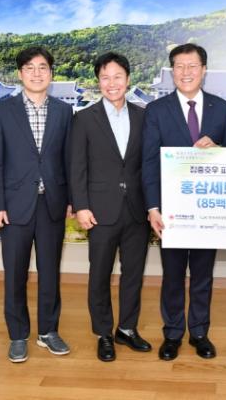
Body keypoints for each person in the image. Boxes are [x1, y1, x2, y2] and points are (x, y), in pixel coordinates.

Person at [142, 43, 226, 361]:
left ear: (204, 70)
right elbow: (148, 162)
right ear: (172, 71)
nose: (186, 72)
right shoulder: (156, 110)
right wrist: (153, 207)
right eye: (179, 66)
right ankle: (172, 333)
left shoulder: (221, 108)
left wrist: (219, 147)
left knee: (202, 274)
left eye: (192, 66)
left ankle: (199, 332)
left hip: (208, 210)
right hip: (170, 211)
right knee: (172, 275)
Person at [0, 46, 73, 363]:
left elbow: (69, 160)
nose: (37, 73)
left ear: (51, 72)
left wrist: (71, 200)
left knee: (50, 273)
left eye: (43, 67)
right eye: (30, 68)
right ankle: (18, 335)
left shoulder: (64, 111)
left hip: (52, 204)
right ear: (20, 73)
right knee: (15, 274)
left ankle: (48, 332)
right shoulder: (1, 112)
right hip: (13, 206)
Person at [70, 52, 152, 362]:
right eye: (105, 77)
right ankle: (103, 333)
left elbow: (150, 164)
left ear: (128, 80)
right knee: (100, 275)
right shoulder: (84, 118)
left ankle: (127, 329)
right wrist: (81, 206)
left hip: (136, 209)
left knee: (134, 274)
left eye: (118, 77)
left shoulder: (144, 116)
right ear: (98, 82)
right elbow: (77, 167)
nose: (112, 83)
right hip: (100, 210)